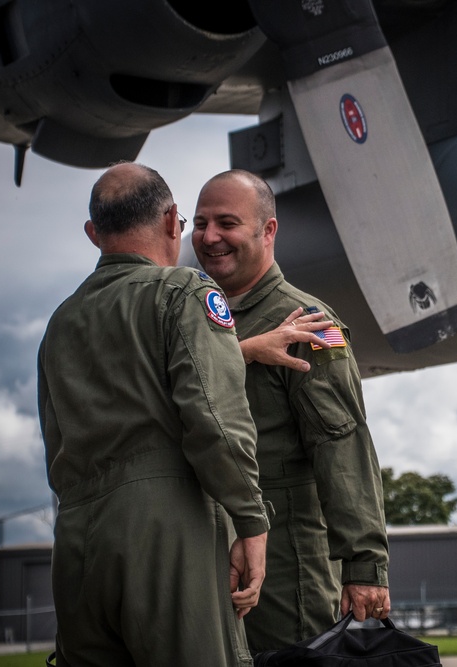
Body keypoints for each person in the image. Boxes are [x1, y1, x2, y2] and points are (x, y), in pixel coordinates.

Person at [38, 163, 272, 666]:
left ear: (93, 233)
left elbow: (55, 442)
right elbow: (216, 420)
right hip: (167, 535)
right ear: (172, 222)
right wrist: (252, 523)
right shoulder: (184, 292)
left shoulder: (60, 322)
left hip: (77, 546)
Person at [192, 169, 391, 651]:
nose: (210, 236)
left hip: (286, 562)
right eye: (199, 223)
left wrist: (364, 564)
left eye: (226, 222)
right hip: (204, 550)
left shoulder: (311, 325)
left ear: (268, 230)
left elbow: (342, 443)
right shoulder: (196, 319)